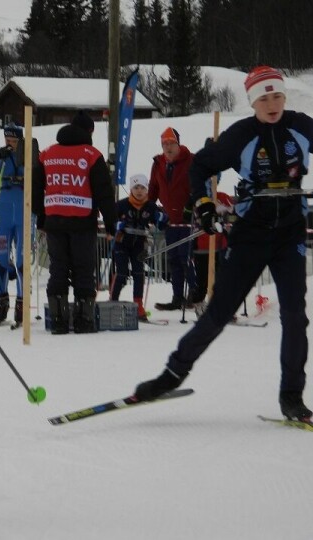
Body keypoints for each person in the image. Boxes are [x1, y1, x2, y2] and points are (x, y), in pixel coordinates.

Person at [133, 65, 313, 421]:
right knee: (218, 312)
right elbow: (199, 168)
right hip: (250, 234)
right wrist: (202, 205)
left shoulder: (301, 126)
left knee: (295, 315)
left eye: (277, 95)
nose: (272, 103)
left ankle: (291, 396)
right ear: (252, 102)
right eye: (264, 98)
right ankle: (171, 375)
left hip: (290, 231)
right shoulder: (241, 135)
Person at [32, 110, 116, 334]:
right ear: (89, 131)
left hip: (54, 222)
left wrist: (41, 217)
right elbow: (104, 193)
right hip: (82, 222)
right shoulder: (92, 155)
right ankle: (84, 320)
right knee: (83, 269)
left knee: (58, 269)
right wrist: (111, 224)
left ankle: (59, 321)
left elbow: (35, 189)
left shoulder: (47, 154)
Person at [0, 123, 36, 325]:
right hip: (2, 213)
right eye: (7, 140)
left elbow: (39, 179)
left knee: (21, 261)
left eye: (13, 140)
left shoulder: (29, 155)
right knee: (1, 258)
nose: (9, 143)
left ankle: (22, 304)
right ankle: (1, 301)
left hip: (23, 211)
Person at [148, 126, 197, 310]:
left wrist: (191, 205)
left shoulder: (190, 160)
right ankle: (177, 296)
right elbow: (153, 188)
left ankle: (193, 293)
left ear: (178, 144)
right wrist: (149, 210)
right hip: (170, 220)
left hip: (187, 218)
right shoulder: (158, 163)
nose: (168, 147)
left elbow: (197, 186)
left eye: (171, 143)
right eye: (165, 144)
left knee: (186, 258)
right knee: (174, 259)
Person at [109, 173, 168, 320]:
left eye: (142, 187)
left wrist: (162, 219)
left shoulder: (151, 206)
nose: (139, 191)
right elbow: (110, 220)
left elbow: (161, 224)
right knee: (122, 273)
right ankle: (113, 301)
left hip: (139, 243)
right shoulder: (122, 204)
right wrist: (116, 225)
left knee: (138, 274)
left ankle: (138, 305)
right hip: (122, 242)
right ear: (131, 189)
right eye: (136, 187)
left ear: (146, 190)